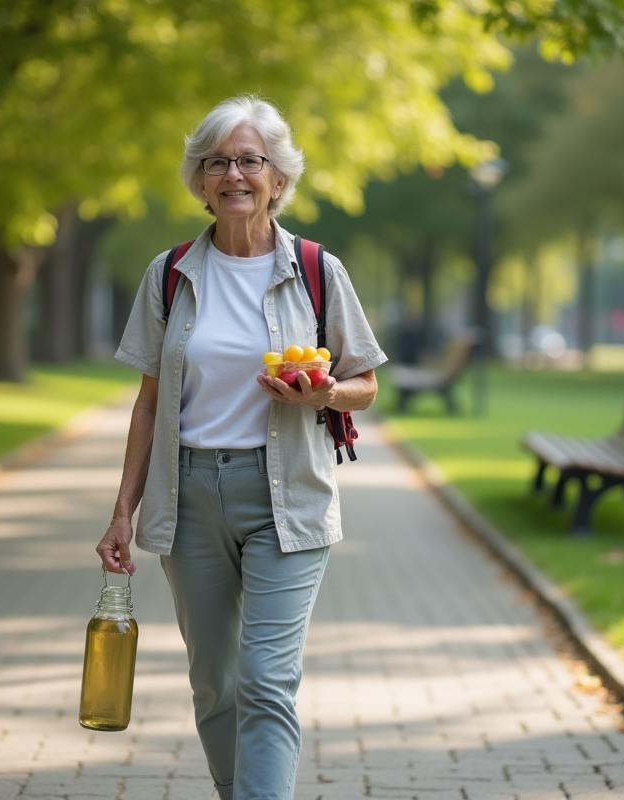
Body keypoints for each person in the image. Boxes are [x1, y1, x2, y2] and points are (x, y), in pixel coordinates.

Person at [97, 95, 387, 800]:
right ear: (199, 180)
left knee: (265, 680)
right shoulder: (169, 275)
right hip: (190, 498)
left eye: (250, 161)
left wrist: (321, 393)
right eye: (217, 162)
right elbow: (147, 404)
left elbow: (366, 386)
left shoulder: (317, 270)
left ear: (278, 179)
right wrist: (122, 512)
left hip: (285, 497)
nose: (234, 174)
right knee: (215, 683)